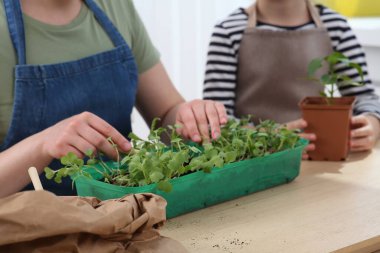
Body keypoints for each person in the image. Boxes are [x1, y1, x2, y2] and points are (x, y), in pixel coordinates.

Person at [0, 0, 227, 198]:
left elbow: (167, 112)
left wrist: (189, 117)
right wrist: (42, 144)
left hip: (126, 218)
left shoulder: (114, 5)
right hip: (32, 233)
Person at [203, 0, 380, 158]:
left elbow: (365, 96)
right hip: (256, 161)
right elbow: (215, 121)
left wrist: (372, 123)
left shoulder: (336, 26)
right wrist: (270, 139)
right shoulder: (229, 30)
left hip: (321, 157)